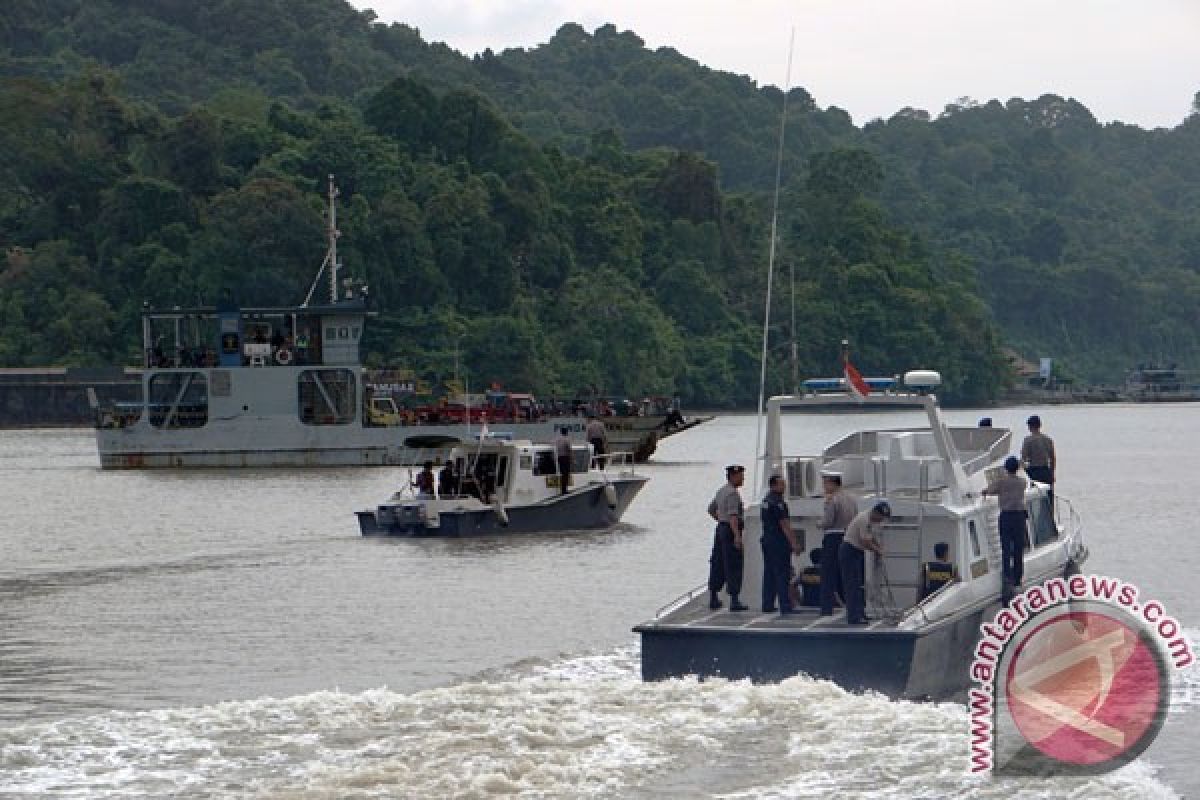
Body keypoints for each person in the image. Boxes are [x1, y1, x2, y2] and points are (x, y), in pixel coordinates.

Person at [983, 455, 1029, 601]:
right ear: (1017, 468)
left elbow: (990, 490)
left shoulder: (1002, 482)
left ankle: (1007, 577)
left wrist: (984, 492)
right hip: (1019, 517)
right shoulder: (1023, 482)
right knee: (1018, 548)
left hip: (1006, 516)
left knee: (1006, 548)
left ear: (1006, 468)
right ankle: (1017, 577)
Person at [839, 501, 891, 625]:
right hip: (849, 551)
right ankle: (853, 617)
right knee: (852, 586)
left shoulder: (870, 520)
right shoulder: (864, 519)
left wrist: (879, 547)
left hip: (856, 552)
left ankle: (860, 613)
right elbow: (865, 541)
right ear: (876, 513)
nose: (881, 521)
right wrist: (878, 550)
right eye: (881, 518)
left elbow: (870, 538)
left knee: (859, 586)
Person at [707, 465, 748, 611]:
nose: (743, 479)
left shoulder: (721, 491)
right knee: (733, 564)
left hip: (721, 530)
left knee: (717, 563)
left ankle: (713, 597)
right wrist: (737, 536)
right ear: (733, 476)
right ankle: (734, 600)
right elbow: (733, 516)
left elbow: (711, 509)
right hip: (730, 531)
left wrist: (720, 521)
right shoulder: (732, 494)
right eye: (741, 476)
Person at [760, 475, 801, 614]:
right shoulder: (778, 503)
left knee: (769, 573)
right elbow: (785, 525)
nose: (784, 487)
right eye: (781, 485)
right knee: (782, 573)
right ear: (773, 486)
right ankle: (785, 605)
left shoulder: (765, 501)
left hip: (767, 540)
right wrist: (794, 543)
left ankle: (767, 604)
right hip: (778, 542)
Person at [818, 471, 857, 616]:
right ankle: (852, 606)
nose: (824, 487)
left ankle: (826, 608)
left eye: (825, 483)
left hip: (832, 537)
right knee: (848, 575)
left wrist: (818, 523)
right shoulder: (852, 499)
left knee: (828, 574)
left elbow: (828, 521)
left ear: (831, 483)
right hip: (848, 537)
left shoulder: (832, 500)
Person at [1020, 415, 1056, 509]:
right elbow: (1052, 458)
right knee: (1049, 499)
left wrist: (1022, 471)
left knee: (1035, 499)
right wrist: (1052, 473)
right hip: (1046, 471)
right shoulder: (1048, 440)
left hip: (1034, 472)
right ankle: (1050, 519)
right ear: (1040, 425)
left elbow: (1023, 458)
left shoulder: (1028, 440)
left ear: (1030, 426)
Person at [555, 426, 572, 495]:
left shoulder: (557, 440)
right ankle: (564, 490)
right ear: (567, 432)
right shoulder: (567, 439)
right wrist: (572, 459)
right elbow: (569, 449)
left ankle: (562, 489)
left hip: (559, 458)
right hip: (565, 458)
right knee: (566, 474)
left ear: (561, 432)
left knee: (562, 473)